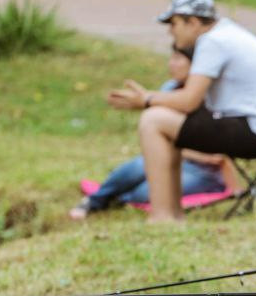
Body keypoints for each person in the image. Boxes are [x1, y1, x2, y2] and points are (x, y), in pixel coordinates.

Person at [107, 0, 256, 223]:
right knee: (162, 116)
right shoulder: (227, 34)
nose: (171, 32)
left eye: (173, 24)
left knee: (153, 120)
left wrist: (146, 99)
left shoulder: (213, 41)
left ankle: (163, 216)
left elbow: (188, 100)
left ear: (192, 22)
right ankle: (171, 213)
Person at [71, 45, 233, 219]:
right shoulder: (169, 88)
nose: (172, 64)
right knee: (137, 167)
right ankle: (95, 201)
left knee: (143, 193)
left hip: (203, 172)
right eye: (171, 58)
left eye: (178, 59)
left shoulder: (213, 97)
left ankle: (117, 198)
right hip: (172, 158)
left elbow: (215, 156)